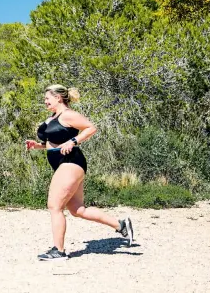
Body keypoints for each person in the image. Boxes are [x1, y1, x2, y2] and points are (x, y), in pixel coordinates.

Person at [25, 84, 134, 261]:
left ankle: (58, 251)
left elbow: (91, 127)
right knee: (77, 209)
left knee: (55, 206)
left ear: (58, 97)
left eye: (47, 98)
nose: (45, 101)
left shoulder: (68, 115)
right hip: (63, 163)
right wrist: (37, 146)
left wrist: (73, 141)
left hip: (71, 162)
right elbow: (53, 142)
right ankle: (121, 225)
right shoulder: (54, 117)